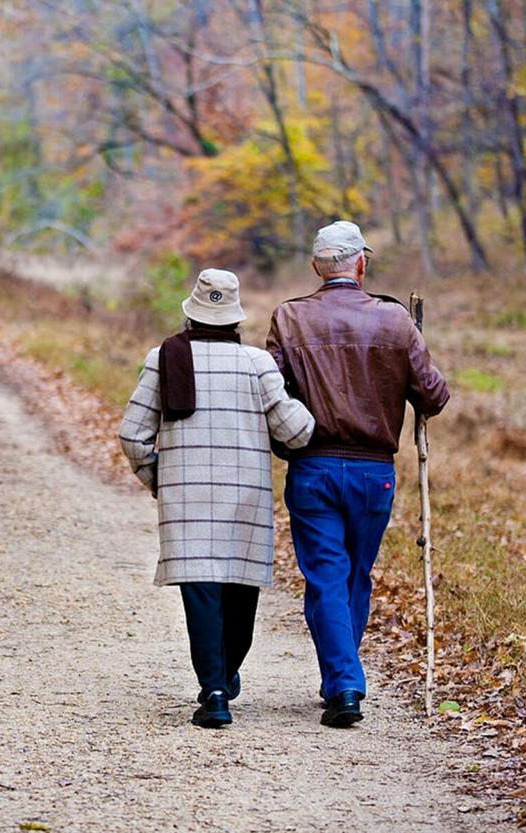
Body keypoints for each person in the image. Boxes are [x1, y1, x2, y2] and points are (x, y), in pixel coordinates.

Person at [266, 221, 450, 728]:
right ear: (361, 264)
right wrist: (413, 348)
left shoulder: (290, 318)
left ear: (315, 268)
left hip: (313, 465)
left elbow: (269, 390)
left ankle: (342, 681)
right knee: (354, 575)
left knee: (327, 575)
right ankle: (344, 680)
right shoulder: (394, 321)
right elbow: (434, 396)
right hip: (374, 473)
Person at [119, 268, 315, 729]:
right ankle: (224, 677)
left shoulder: (163, 358)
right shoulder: (257, 364)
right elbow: (297, 432)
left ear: (191, 315)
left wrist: (159, 479)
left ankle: (214, 690)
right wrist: (304, 401)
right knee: (238, 592)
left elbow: (132, 435)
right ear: (235, 320)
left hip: (185, 501)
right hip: (244, 497)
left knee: (201, 593)